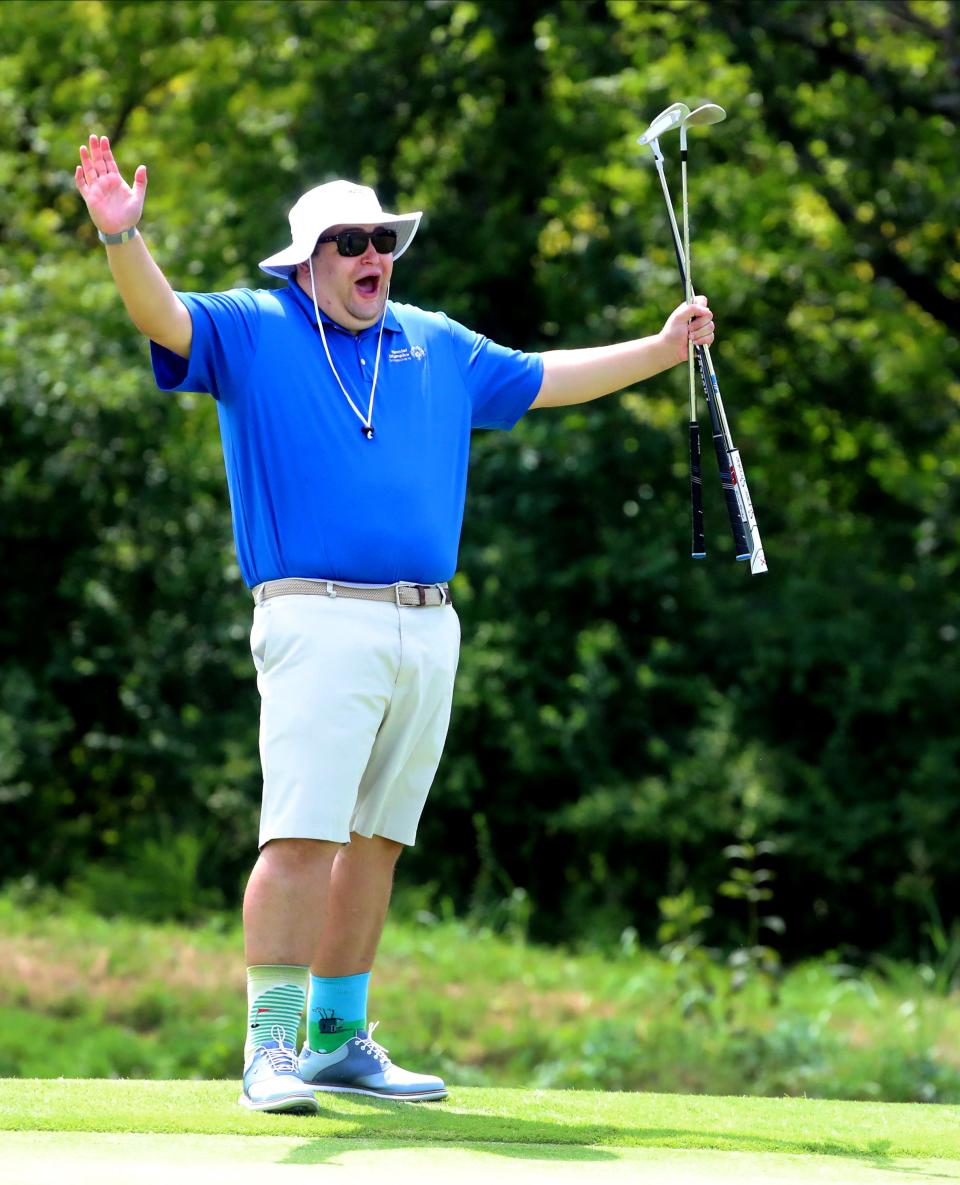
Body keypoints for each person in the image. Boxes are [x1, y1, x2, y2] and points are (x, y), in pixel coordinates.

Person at [74, 133, 715, 1114]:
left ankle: (336, 1039)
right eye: (349, 242)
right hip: (315, 618)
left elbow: (548, 377)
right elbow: (164, 319)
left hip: (426, 625)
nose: (373, 255)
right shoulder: (256, 327)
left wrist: (666, 351)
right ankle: (271, 1048)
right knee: (301, 836)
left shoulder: (435, 342)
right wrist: (125, 239)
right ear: (306, 263)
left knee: (376, 839)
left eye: (383, 239)